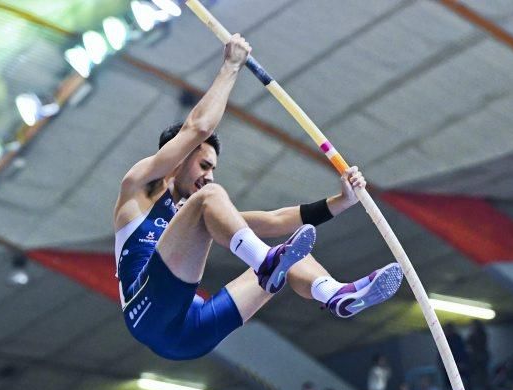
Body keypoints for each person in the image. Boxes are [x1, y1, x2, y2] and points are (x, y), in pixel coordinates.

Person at [113, 34, 402, 361]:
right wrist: (230, 66)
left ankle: (334, 294)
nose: (209, 174)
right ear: (177, 158)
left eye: (213, 168)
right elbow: (198, 127)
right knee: (215, 202)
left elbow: (275, 220)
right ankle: (267, 262)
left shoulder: (200, 221)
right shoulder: (139, 187)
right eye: (204, 164)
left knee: (291, 252)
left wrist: (342, 201)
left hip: (191, 333)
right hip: (146, 312)